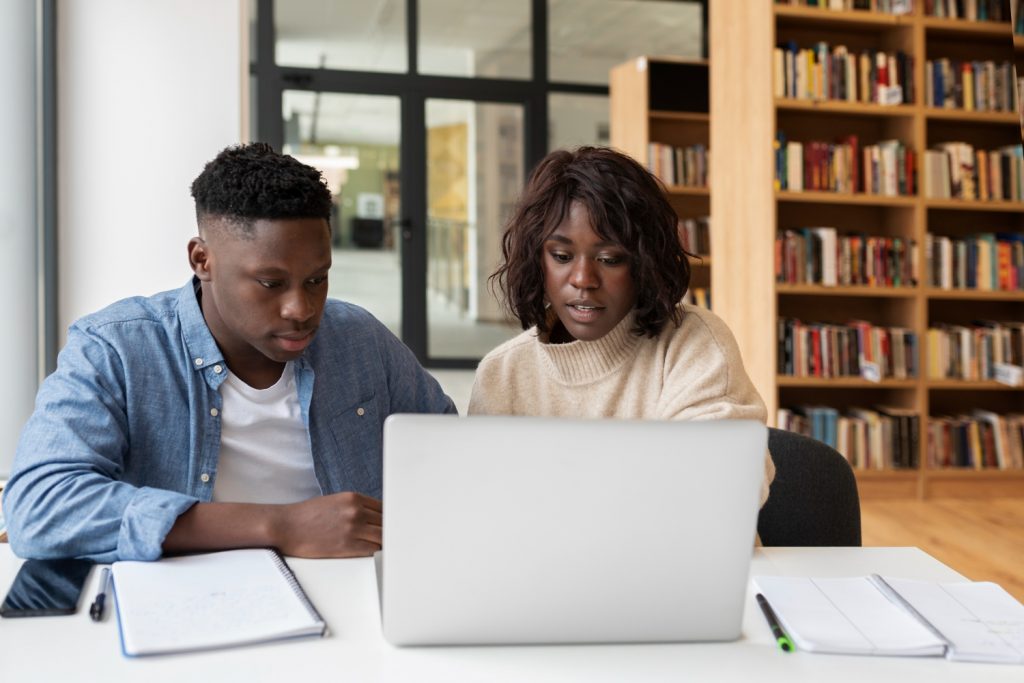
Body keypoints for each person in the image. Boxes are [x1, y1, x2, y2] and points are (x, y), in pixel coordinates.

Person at [2, 142, 456, 562]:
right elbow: (40, 506)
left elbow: (454, 459)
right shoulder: (117, 349)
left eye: (317, 279)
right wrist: (279, 525)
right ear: (203, 260)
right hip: (190, 601)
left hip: (354, 594)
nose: (301, 308)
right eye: (270, 283)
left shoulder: (359, 339)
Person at [469, 146, 774, 507]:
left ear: (644, 262)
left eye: (610, 258)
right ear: (537, 259)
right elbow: (484, 507)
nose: (583, 279)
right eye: (562, 256)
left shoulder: (693, 344)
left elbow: (730, 483)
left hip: (682, 563)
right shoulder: (501, 374)